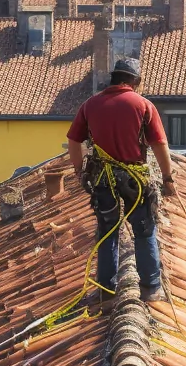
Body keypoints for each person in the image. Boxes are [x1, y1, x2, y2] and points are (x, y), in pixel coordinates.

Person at [67, 57, 176, 303]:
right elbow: (159, 143)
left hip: (103, 182)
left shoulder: (90, 105)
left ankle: (106, 291)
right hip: (136, 182)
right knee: (145, 230)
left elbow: (74, 141)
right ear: (135, 81)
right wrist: (168, 178)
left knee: (107, 233)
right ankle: (150, 288)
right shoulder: (143, 105)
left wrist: (78, 171)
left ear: (114, 78)